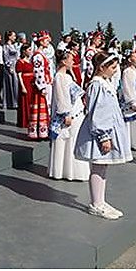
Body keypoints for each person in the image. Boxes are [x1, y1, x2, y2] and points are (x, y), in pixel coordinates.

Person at [75, 52, 131, 220]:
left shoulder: (105, 83)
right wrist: (103, 136)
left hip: (107, 128)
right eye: (113, 67)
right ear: (101, 67)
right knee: (98, 166)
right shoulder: (97, 85)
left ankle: (100, 200)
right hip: (99, 132)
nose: (116, 70)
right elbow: (99, 112)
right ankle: (96, 204)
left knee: (102, 166)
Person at [48, 49, 90, 181]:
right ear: (63, 61)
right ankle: (64, 171)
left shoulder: (67, 76)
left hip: (76, 113)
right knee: (68, 141)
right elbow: (61, 98)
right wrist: (65, 114)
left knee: (73, 141)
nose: (73, 62)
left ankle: (73, 171)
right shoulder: (59, 77)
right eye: (71, 59)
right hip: (69, 115)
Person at [29, 31, 53, 140]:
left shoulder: (41, 54)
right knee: (41, 106)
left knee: (46, 106)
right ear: (41, 41)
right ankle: (39, 131)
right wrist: (42, 87)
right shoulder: (38, 56)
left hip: (46, 83)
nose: (49, 41)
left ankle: (43, 130)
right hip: (42, 85)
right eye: (47, 40)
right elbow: (38, 72)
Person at [15, 43, 34, 130]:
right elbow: (19, 75)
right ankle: (24, 121)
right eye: (29, 50)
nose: (30, 51)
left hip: (31, 83)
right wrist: (22, 86)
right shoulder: (20, 62)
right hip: (25, 82)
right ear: (24, 51)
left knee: (31, 101)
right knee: (24, 101)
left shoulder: (30, 61)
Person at [2, 31, 20, 109]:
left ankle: (15, 102)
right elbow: (6, 57)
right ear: (9, 37)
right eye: (14, 36)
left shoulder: (14, 46)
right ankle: (10, 103)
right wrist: (9, 67)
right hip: (10, 67)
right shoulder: (6, 47)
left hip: (15, 65)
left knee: (16, 84)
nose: (15, 38)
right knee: (11, 83)